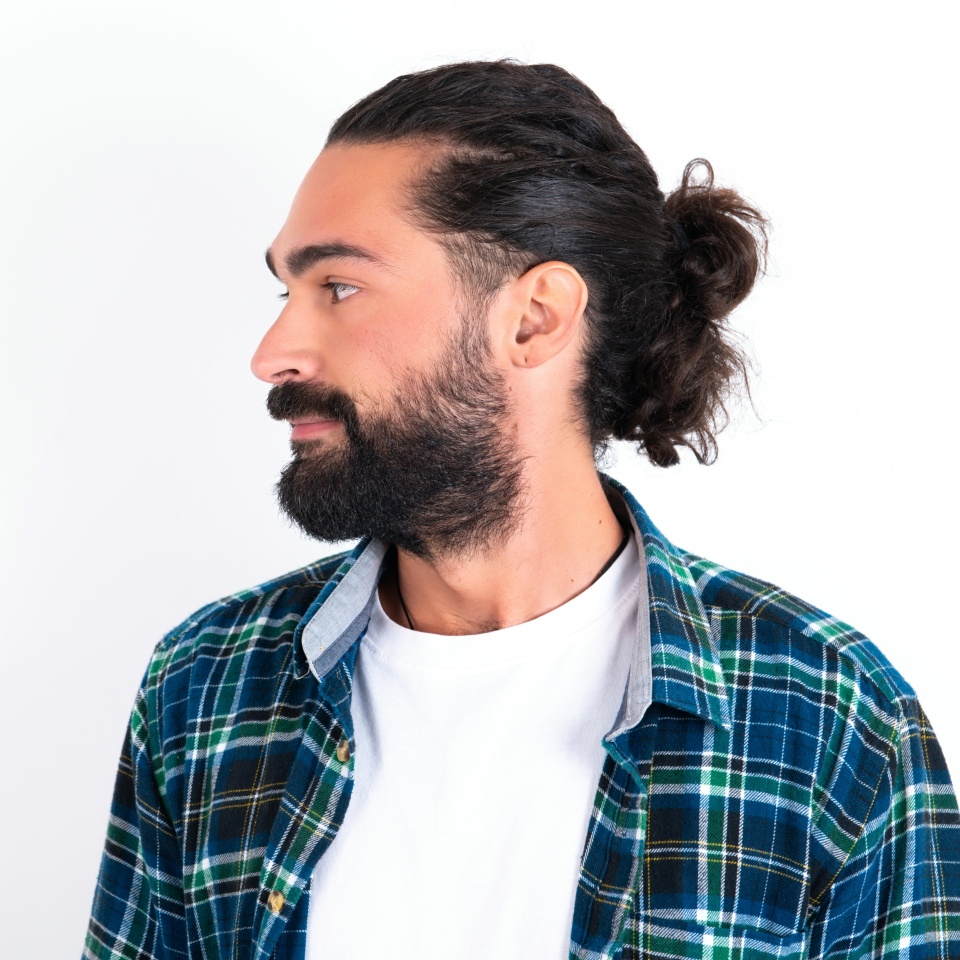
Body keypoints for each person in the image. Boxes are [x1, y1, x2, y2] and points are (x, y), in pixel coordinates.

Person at [83, 60, 959, 960]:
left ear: (536, 318)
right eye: (285, 292)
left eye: (338, 288)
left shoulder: (829, 717)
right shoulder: (208, 688)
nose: (273, 353)